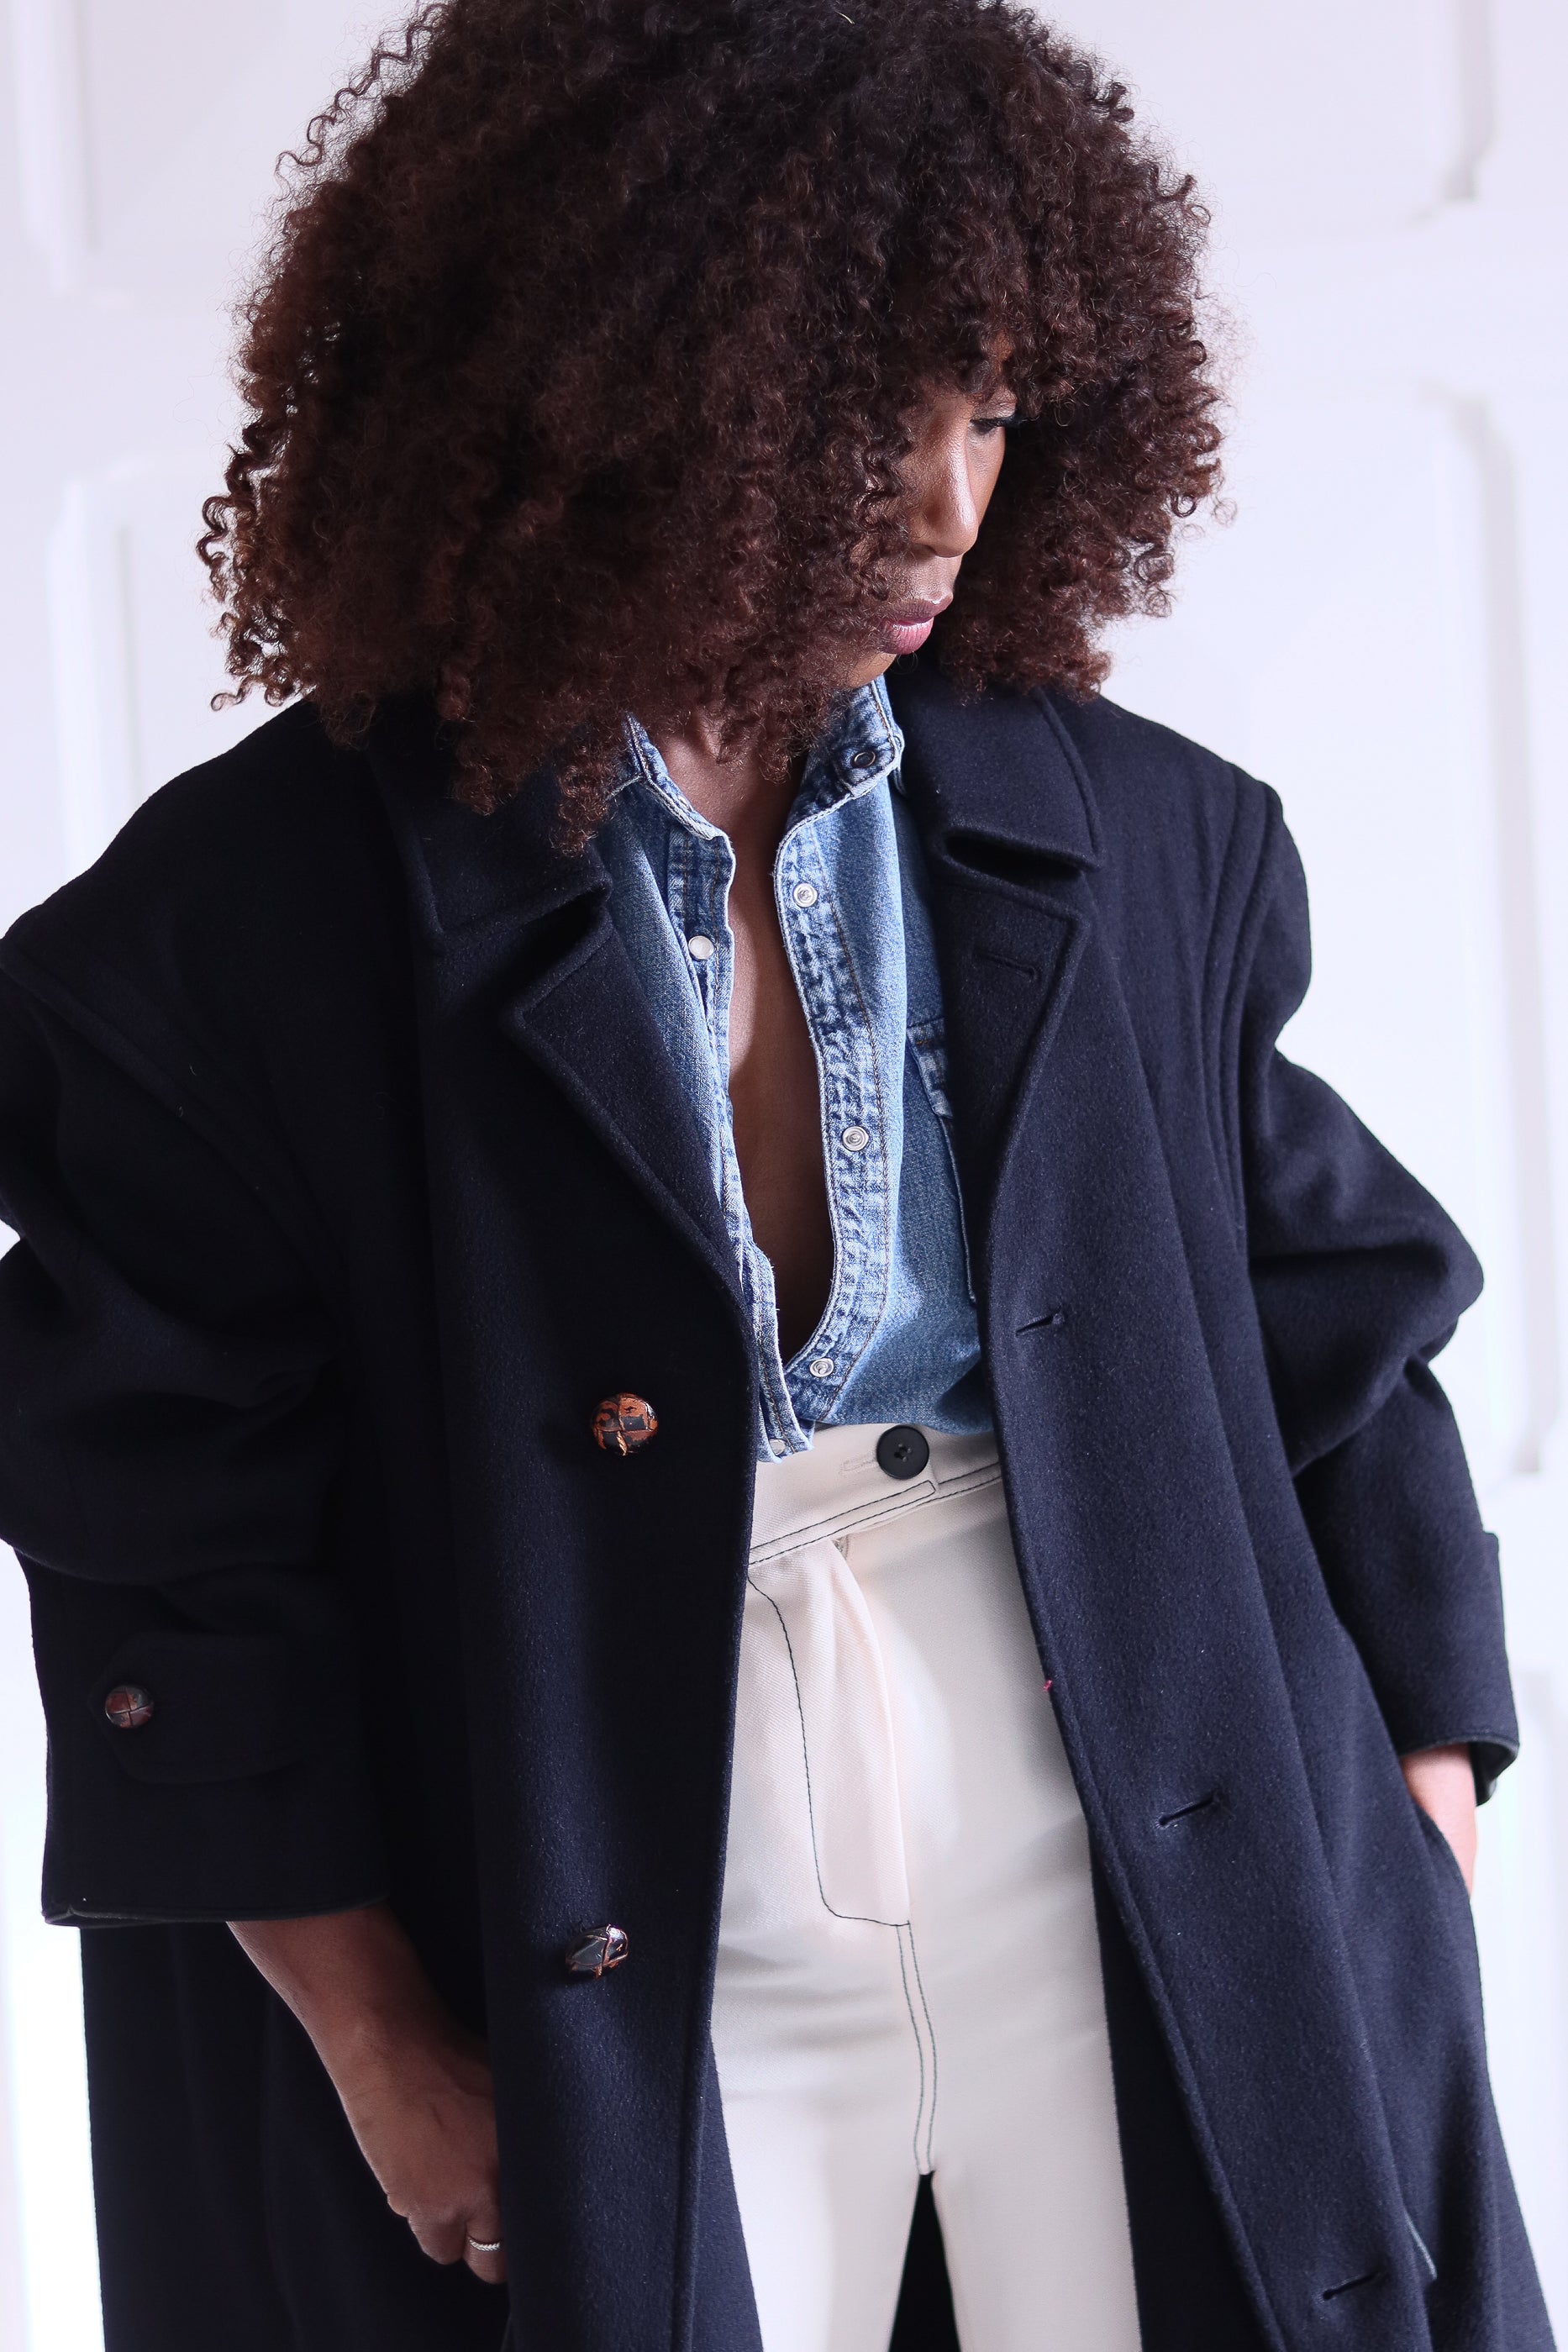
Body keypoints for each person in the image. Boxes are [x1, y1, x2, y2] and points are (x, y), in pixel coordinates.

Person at [0, 2, 1550, 2348]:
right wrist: (378, 2041)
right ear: (604, 391)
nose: (948, 505)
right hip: (592, 1843)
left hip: (1130, 1817)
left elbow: (1343, 1336)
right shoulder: (230, 939)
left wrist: (1414, 1822)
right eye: (859, 421)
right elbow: (157, 1546)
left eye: (991, 408)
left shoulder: (1148, 834)